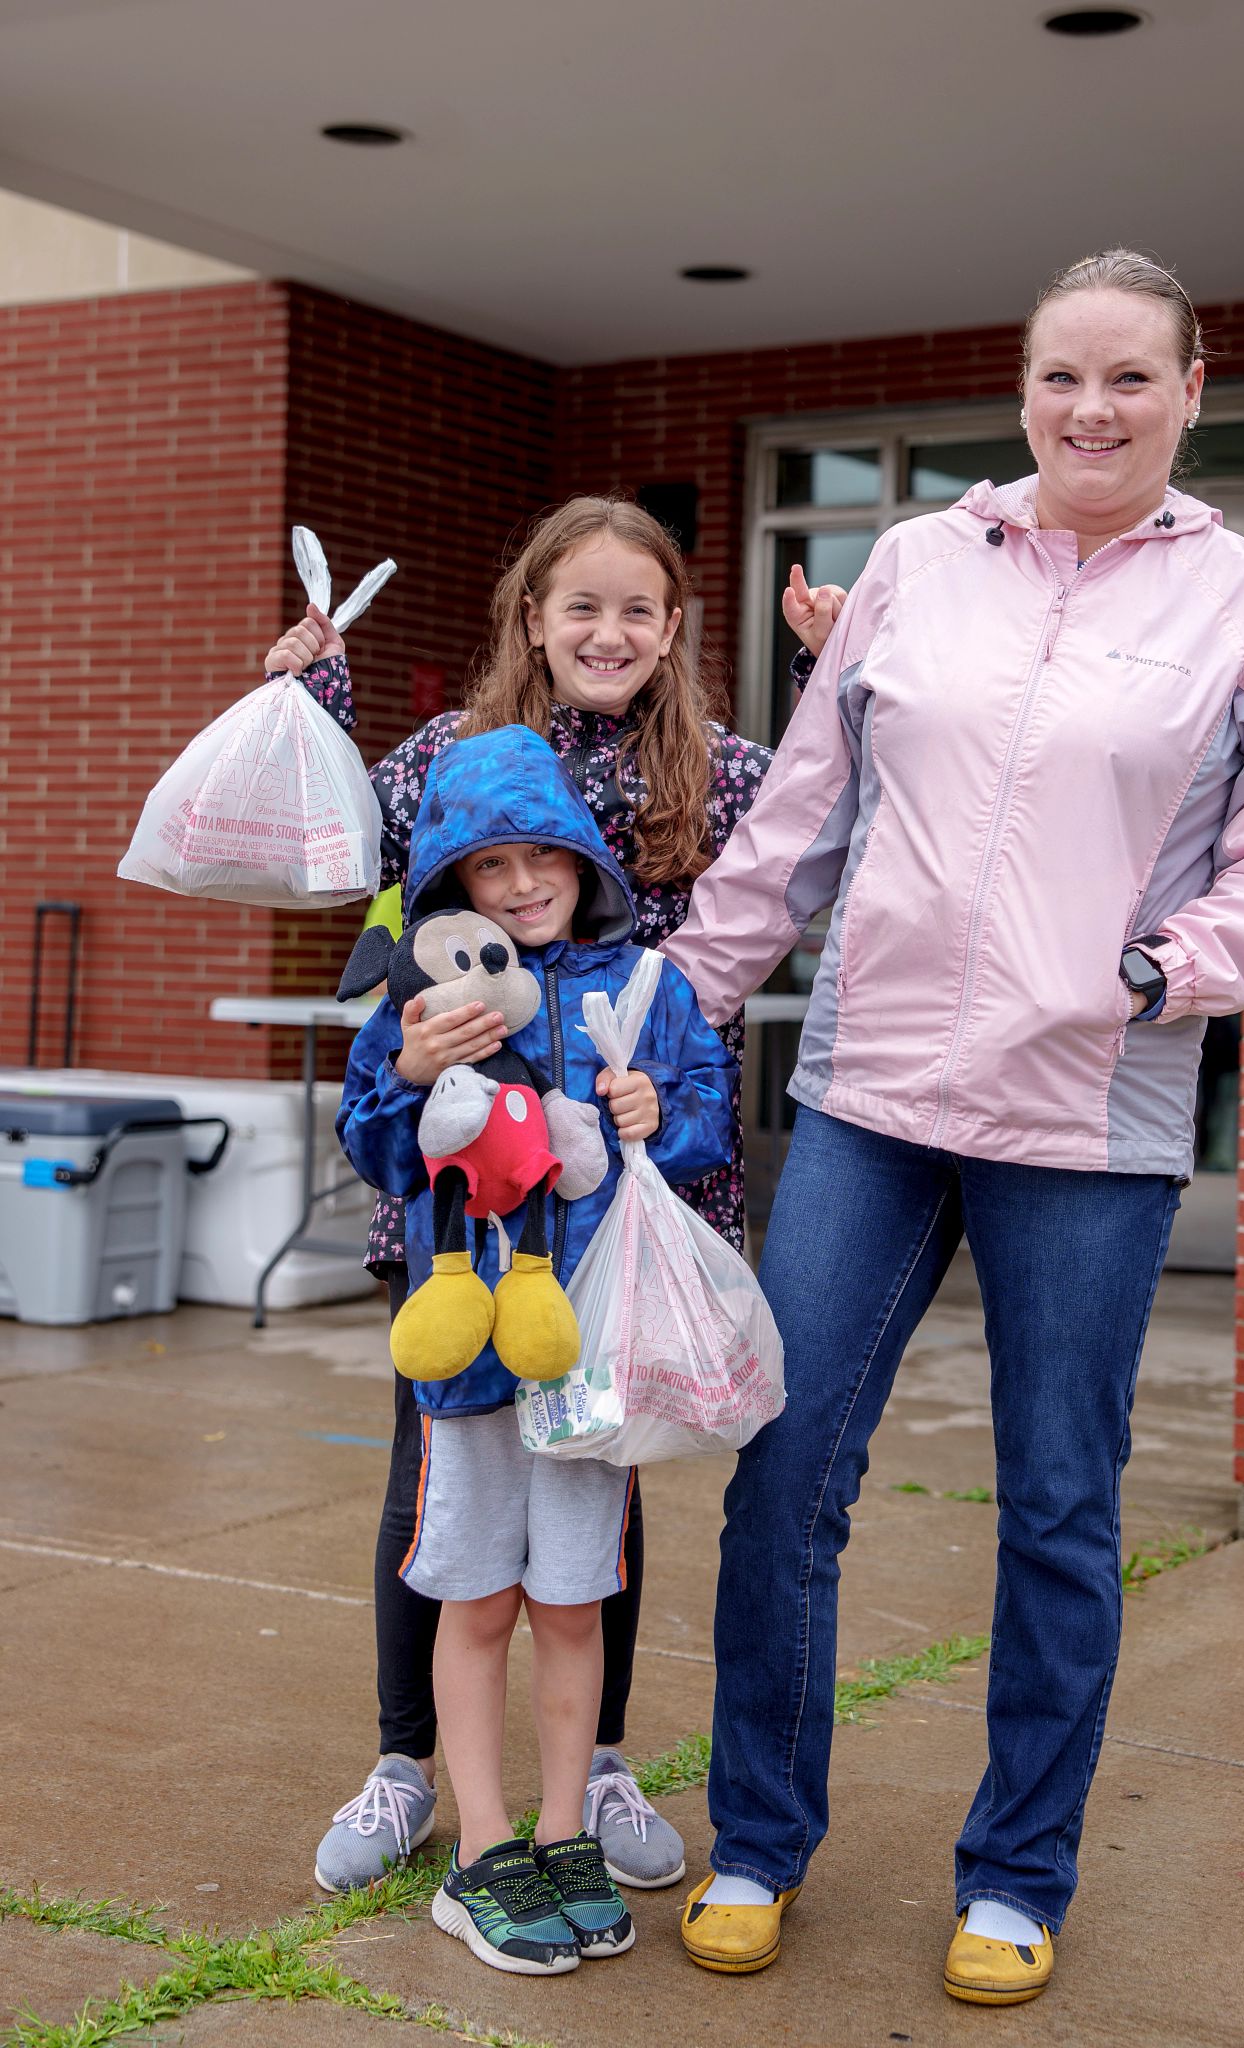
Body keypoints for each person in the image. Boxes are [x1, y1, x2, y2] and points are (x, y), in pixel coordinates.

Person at [660, 249, 1244, 2006]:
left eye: (1132, 378)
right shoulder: (919, 564)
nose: (1091, 410)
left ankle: (1017, 1871)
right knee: (784, 1462)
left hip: (1092, 1113)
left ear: (1195, 392)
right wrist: (674, 996)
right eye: (1063, 377)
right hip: (874, 1088)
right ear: (1024, 388)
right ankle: (758, 1836)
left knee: (1058, 1501)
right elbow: (805, 815)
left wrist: (1159, 968)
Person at [265, 499, 830, 1892]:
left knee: (604, 1467)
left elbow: (841, 809)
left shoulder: (725, 769)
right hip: (457, 1194)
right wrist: (308, 698)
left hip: (637, 1178)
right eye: (579, 605)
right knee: (437, 1478)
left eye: (637, 608)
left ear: (675, 628)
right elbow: (340, 835)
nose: (607, 632)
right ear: (531, 616)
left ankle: (604, 1764)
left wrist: (830, 672)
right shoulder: (444, 759)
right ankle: (408, 1767)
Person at [338, 722, 736, 1974]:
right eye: (487, 865)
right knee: (477, 1593)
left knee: (572, 1600)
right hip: (467, 1368)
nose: (518, 885)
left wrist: (657, 1116)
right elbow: (380, 1148)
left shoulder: (643, 986)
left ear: (581, 856)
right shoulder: (427, 992)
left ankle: (567, 1832)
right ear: (452, 881)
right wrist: (406, 1065)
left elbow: (710, 1114)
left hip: (591, 1359)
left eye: (540, 856)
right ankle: (481, 1850)